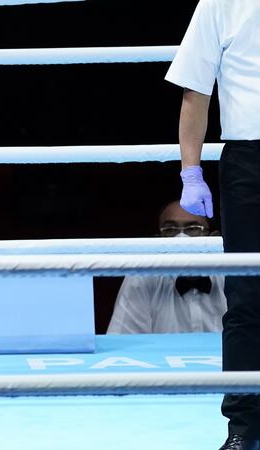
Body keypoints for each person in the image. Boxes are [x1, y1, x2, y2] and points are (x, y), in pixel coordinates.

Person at [165, 1, 260, 448]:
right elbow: (195, 91)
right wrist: (190, 171)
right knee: (246, 300)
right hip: (249, 162)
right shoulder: (222, 3)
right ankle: (244, 428)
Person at [107, 200, 226, 334]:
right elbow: (124, 343)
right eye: (170, 230)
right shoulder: (142, 278)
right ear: (159, 241)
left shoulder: (235, 278)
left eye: (193, 229)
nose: (181, 238)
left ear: (214, 238)